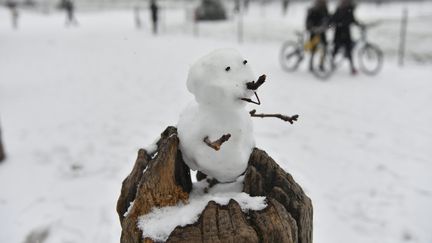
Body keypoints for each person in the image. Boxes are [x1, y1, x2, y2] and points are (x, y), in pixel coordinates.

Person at [330, 0, 363, 75]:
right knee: (336, 50)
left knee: (349, 51)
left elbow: (353, 20)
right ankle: (331, 63)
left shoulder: (349, 10)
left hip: (347, 34)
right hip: (338, 34)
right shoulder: (338, 10)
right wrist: (332, 26)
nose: (344, 3)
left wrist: (360, 25)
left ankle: (352, 68)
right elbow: (332, 20)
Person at [305, 0, 329, 72]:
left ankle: (321, 64)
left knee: (324, 48)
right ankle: (311, 64)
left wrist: (327, 26)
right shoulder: (313, 10)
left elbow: (327, 19)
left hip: (322, 32)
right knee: (313, 49)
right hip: (314, 32)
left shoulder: (325, 10)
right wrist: (312, 28)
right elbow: (308, 21)